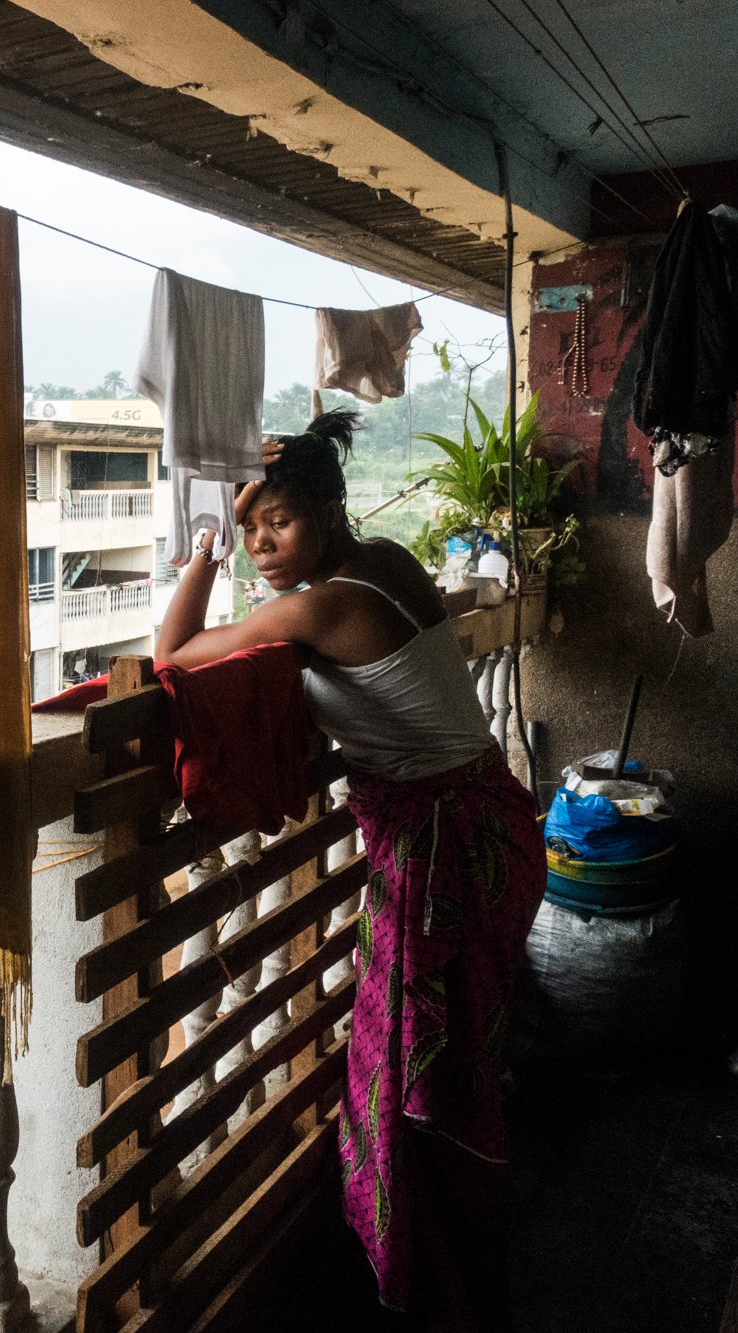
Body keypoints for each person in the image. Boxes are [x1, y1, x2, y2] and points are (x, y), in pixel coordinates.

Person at [153, 410, 544, 1331]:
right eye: (247, 526)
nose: (261, 543)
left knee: (415, 1070)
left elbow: (171, 655)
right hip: (490, 830)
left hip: (443, 856)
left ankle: (428, 1280)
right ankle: (454, 1263)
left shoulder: (320, 604)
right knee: (453, 1070)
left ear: (328, 509)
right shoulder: (390, 561)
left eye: (276, 520)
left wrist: (203, 547)